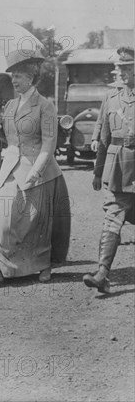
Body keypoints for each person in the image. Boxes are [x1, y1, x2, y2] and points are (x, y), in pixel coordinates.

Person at [0, 50, 71, 283]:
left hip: (38, 171)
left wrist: (36, 172)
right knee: (0, 218)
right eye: (12, 77)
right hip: (11, 168)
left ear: (31, 77)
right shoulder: (9, 106)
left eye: (18, 76)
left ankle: (43, 265)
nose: (14, 81)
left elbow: (49, 144)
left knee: (35, 223)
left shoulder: (45, 106)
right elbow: (10, 141)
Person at [84, 46, 134, 293]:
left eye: (128, 68)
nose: (122, 73)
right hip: (117, 170)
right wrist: (96, 171)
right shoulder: (111, 97)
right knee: (112, 217)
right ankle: (102, 273)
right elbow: (103, 136)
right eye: (120, 68)